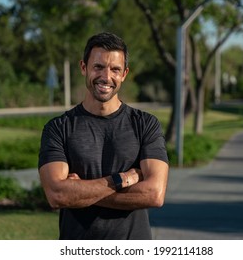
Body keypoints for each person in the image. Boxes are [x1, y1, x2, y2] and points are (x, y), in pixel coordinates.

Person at [38, 32, 169, 240]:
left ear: (124, 74)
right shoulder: (58, 128)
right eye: (98, 67)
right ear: (84, 67)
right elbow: (57, 195)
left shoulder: (145, 124)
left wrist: (81, 191)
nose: (106, 77)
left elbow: (154, 194)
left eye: (115, 69)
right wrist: (123, 179)